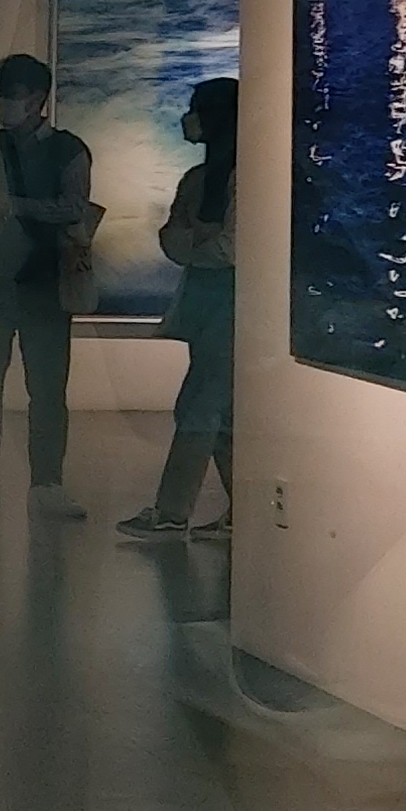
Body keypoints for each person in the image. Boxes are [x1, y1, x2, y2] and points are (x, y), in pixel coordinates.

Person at [119, 76, 240, 541]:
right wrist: (201, 243)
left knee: (198, 407)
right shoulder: (198, 179)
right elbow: (174, 240)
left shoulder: (239, 179)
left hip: (231, 309)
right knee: (220, 414)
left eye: (196, 109)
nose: (187, 119)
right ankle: (242, 510)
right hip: (207, 305)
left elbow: (230, 248)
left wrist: (195, 242)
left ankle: (172, 512)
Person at [0, 53, 95, 515]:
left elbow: (74, 207)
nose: (3, 104)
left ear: (38, 99)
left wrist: (15, 205)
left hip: (46, 284)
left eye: (13, 95)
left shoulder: (67, 149)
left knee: (46, 390)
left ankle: (47, 483)